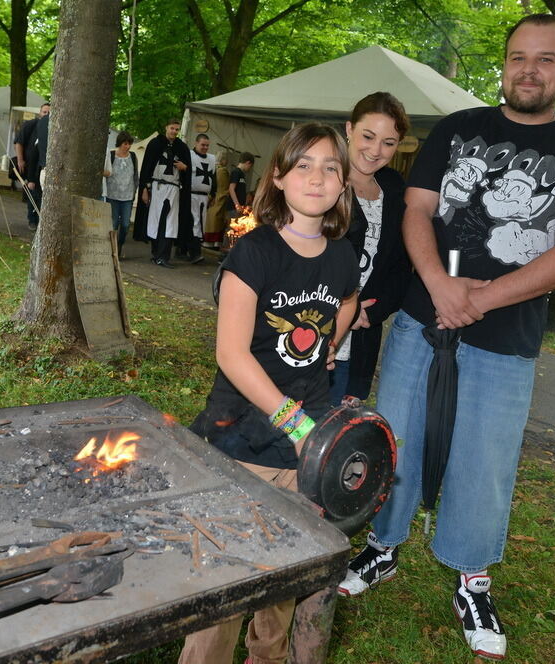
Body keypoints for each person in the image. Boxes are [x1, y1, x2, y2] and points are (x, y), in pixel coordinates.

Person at [338, 15, 555, 661]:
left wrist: (482, 299)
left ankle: (471, 576)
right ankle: (382, 546)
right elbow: (417, 209)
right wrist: (437, 286)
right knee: (396, 437)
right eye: (518, 57)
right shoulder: (457, 130)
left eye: (544, 59)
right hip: (418, 318)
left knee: (483, 461)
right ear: (504, 64)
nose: (529, 69)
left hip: (506, 338)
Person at [180, 122, 360, 664]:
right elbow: (231, 354)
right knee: (230, 579)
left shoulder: (343, 254)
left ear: (343, 185)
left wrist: (333, 340)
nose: (318, 176)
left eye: (331, 167)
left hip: (308, 442)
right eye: (303, 164)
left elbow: (348, 300)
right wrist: (295, 422)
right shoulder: (254, 253)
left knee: (283, 572)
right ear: (278, 177)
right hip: (245, 435)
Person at [328, 92, 412, 403]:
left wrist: (371, 312)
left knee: (329, 438)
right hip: (310, 331)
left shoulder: (393, 189)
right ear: (349, 129)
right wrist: (342, 308)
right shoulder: (321, 179)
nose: (375, 151)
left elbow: (401, 267)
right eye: (368, 136)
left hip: (359, 342)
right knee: (288, 425)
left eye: (388, 143)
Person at [138, 118, 191, 268]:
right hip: (157, 186)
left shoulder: (182, 147)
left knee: (169, 223)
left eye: (176, 129)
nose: (174, 131)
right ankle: (156, 254)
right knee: (156, 221)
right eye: (172, 128)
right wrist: (144, 189)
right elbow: (147, 168)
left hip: (173, 188)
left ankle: (163, 256)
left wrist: (184, 167)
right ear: (166, 127)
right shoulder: (155, 144)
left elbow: (188, 169)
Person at [102, 131, 139, 257]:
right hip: (112, 195)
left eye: (129, 144)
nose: (127, 146)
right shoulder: (112, 154)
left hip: (127, 196)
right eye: (125, 144)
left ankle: (120, 244)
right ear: (120, 143)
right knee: (113, 224)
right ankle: (112, 250)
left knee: (125, 224)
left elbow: (135, 176)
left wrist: (134, 191)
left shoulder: (133, 157)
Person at [14, 102, 50, 228]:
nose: (47, 114)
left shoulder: (50, 127)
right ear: (39, 112)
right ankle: (32, 220)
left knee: (40, 196)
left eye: (49, 113)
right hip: (31, 165)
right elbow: (19, 142)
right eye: (44, 112)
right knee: (32, 192)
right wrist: (20, 160)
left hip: (42, 166)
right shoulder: (31, 125)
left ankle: (39, 221)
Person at [186, 133, 216, 264]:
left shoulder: (212, 159)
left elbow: (213, 178)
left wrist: (213, 194)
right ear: (196, 143)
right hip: (192, 195)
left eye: (207, 145)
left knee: (201, 224)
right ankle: (194, 253)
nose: (205, 147)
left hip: (204, 198)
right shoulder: (189, 156)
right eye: (202, 145)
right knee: (194, 223)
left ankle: (193, 252)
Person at [226, 151, 254, 219]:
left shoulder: (242, 174)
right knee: (232, 228)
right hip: (233, 208)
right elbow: (231, 189)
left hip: (239, 208)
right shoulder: (236, 172)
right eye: (250, 166)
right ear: (248, 163)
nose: (249, 168)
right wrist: (237, 205)